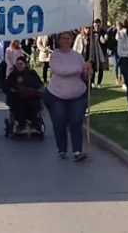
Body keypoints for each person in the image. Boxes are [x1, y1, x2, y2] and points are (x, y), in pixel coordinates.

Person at [43, 31, 91, 162]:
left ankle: (77, 151)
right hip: (57, 94)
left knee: (76, 121)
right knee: (60, 122)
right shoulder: (54, 56)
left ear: (71, 40)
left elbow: (83, 75)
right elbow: (60, 71)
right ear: (58, 40)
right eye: (63, 38)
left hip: (77, 94)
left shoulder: (77, 56)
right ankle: (62, 149)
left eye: (68, 38)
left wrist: (87, 71)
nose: (66, 40)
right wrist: (81, 67)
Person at [2, 56, 43, 132]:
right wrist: (12, 90)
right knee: (19, 107)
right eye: (18, 64)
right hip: (17, 97)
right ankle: (21, 125)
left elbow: (38, 84)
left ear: (25, 65)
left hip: (30, 96)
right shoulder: (13, 75)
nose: (19, 66)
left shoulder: (32, 73)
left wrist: (27, 83)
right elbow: (6, 86)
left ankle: (34, 124)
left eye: (21, 64)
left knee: (34, 106)